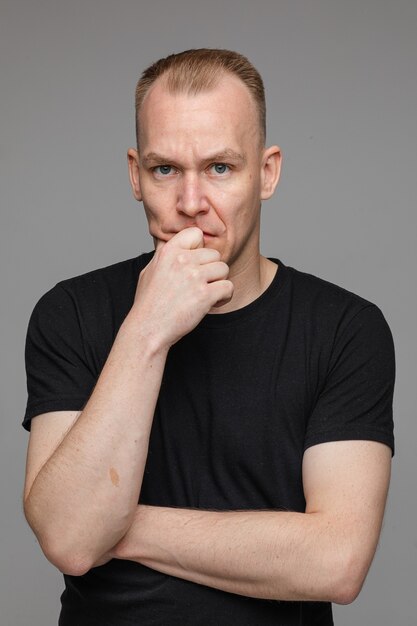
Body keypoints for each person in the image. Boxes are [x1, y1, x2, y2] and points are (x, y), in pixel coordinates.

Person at [22, 49, 395, 626]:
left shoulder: (347, 329)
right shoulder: (69, 313)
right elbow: (72, 541)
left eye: (220, 168)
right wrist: (146, 328)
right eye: (164, 169)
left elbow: (336, 562)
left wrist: (115, 523)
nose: (191, 203)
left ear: (266, 173)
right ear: (134, 175)